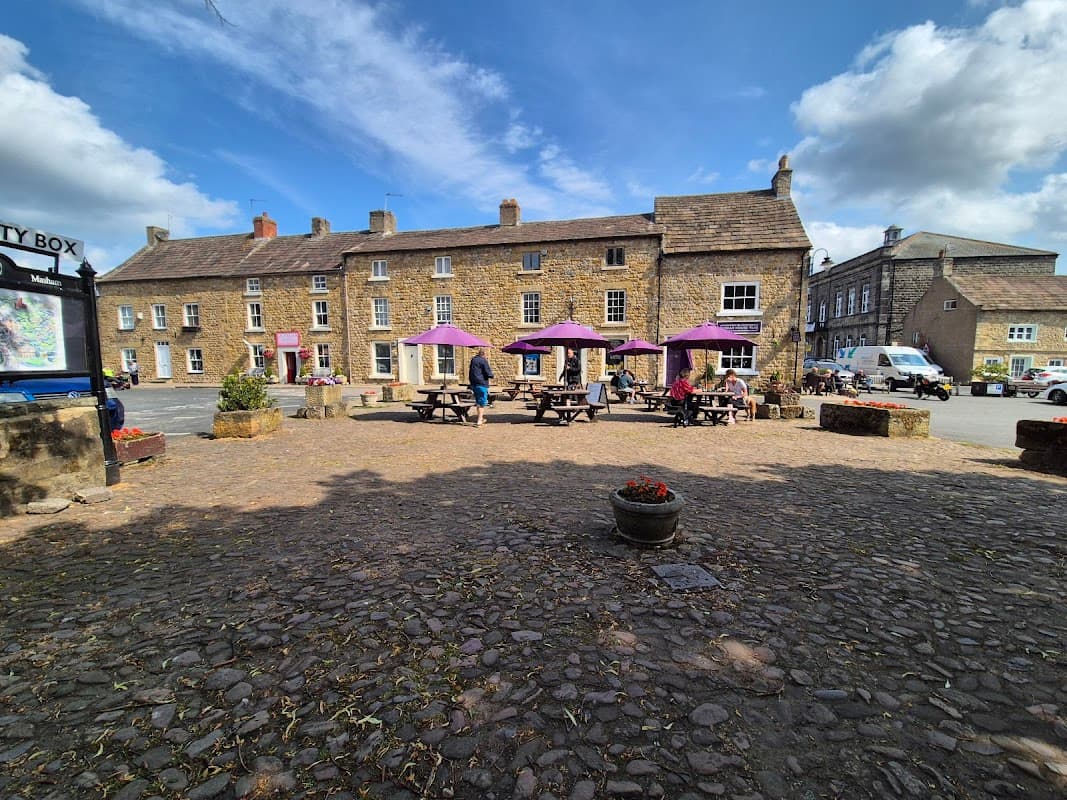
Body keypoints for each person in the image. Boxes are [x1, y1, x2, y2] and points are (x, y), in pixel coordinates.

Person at [467, 347, 494, 427]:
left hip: (474, 384)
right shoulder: (483, 360)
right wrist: (491, 375)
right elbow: (488, 373)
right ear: (484, 354)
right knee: (482, 403)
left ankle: (480, 418)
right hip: (482, 383)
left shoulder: (473, 360)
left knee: (478, 401)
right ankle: (479, 420)